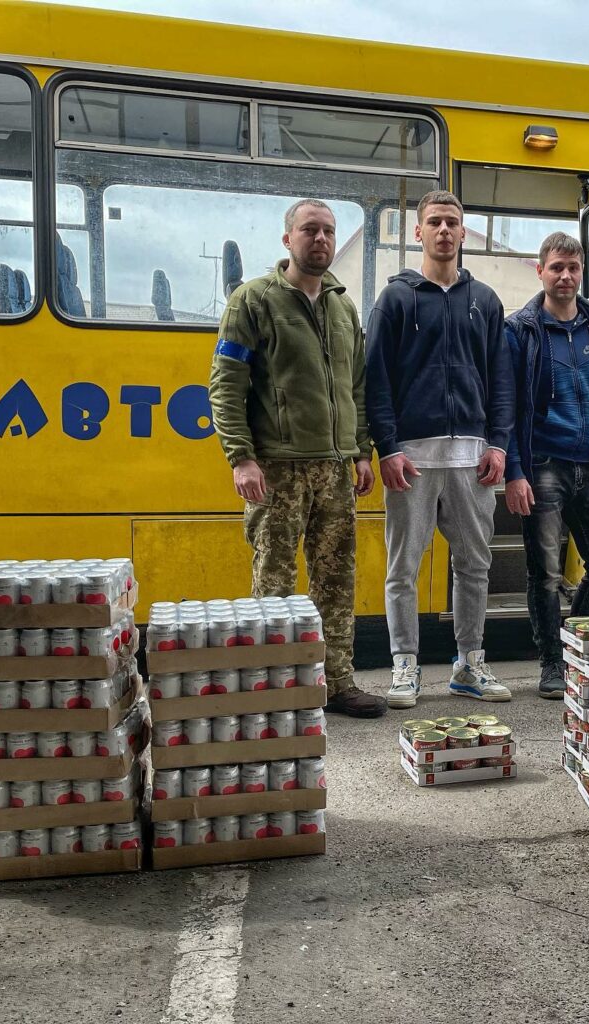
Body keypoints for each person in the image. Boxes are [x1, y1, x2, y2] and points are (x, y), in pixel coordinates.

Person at [209, 198, 387, 718]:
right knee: (275, 581)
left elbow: (356, 383)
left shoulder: (342, 305)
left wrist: (360, 453)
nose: (322, 240)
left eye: (330, 231)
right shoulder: (253, 301)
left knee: (336, 579)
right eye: (310, 230)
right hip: (277, 469)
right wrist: (241, 457)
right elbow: (226, 383)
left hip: (335, 468)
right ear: (288, 239)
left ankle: (337, 683)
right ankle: (276, 688)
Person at [365, 189, 515, 710]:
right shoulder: (395, 300)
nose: (445, 231)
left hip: (473, 459)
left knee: (474, 564)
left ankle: (468, 664)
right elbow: (376, 379)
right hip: (412, 458)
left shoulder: (486, 302)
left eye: (453, 222)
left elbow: (501, 381)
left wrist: (498, 444)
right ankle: (404, 665)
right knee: (402, 568)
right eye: (435, 222)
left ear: (463, 232)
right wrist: (386, 447)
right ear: (418, 233)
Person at [504, 232, 589, 699]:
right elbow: (508, 406)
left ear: (582, 272)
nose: (565, 276)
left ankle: (575, 644)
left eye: (573, 268)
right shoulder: (520, 330)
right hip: (544, 465)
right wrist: (516, 471)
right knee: (546, 573)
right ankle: (553, 664)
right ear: (541, 271)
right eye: (557, 267)